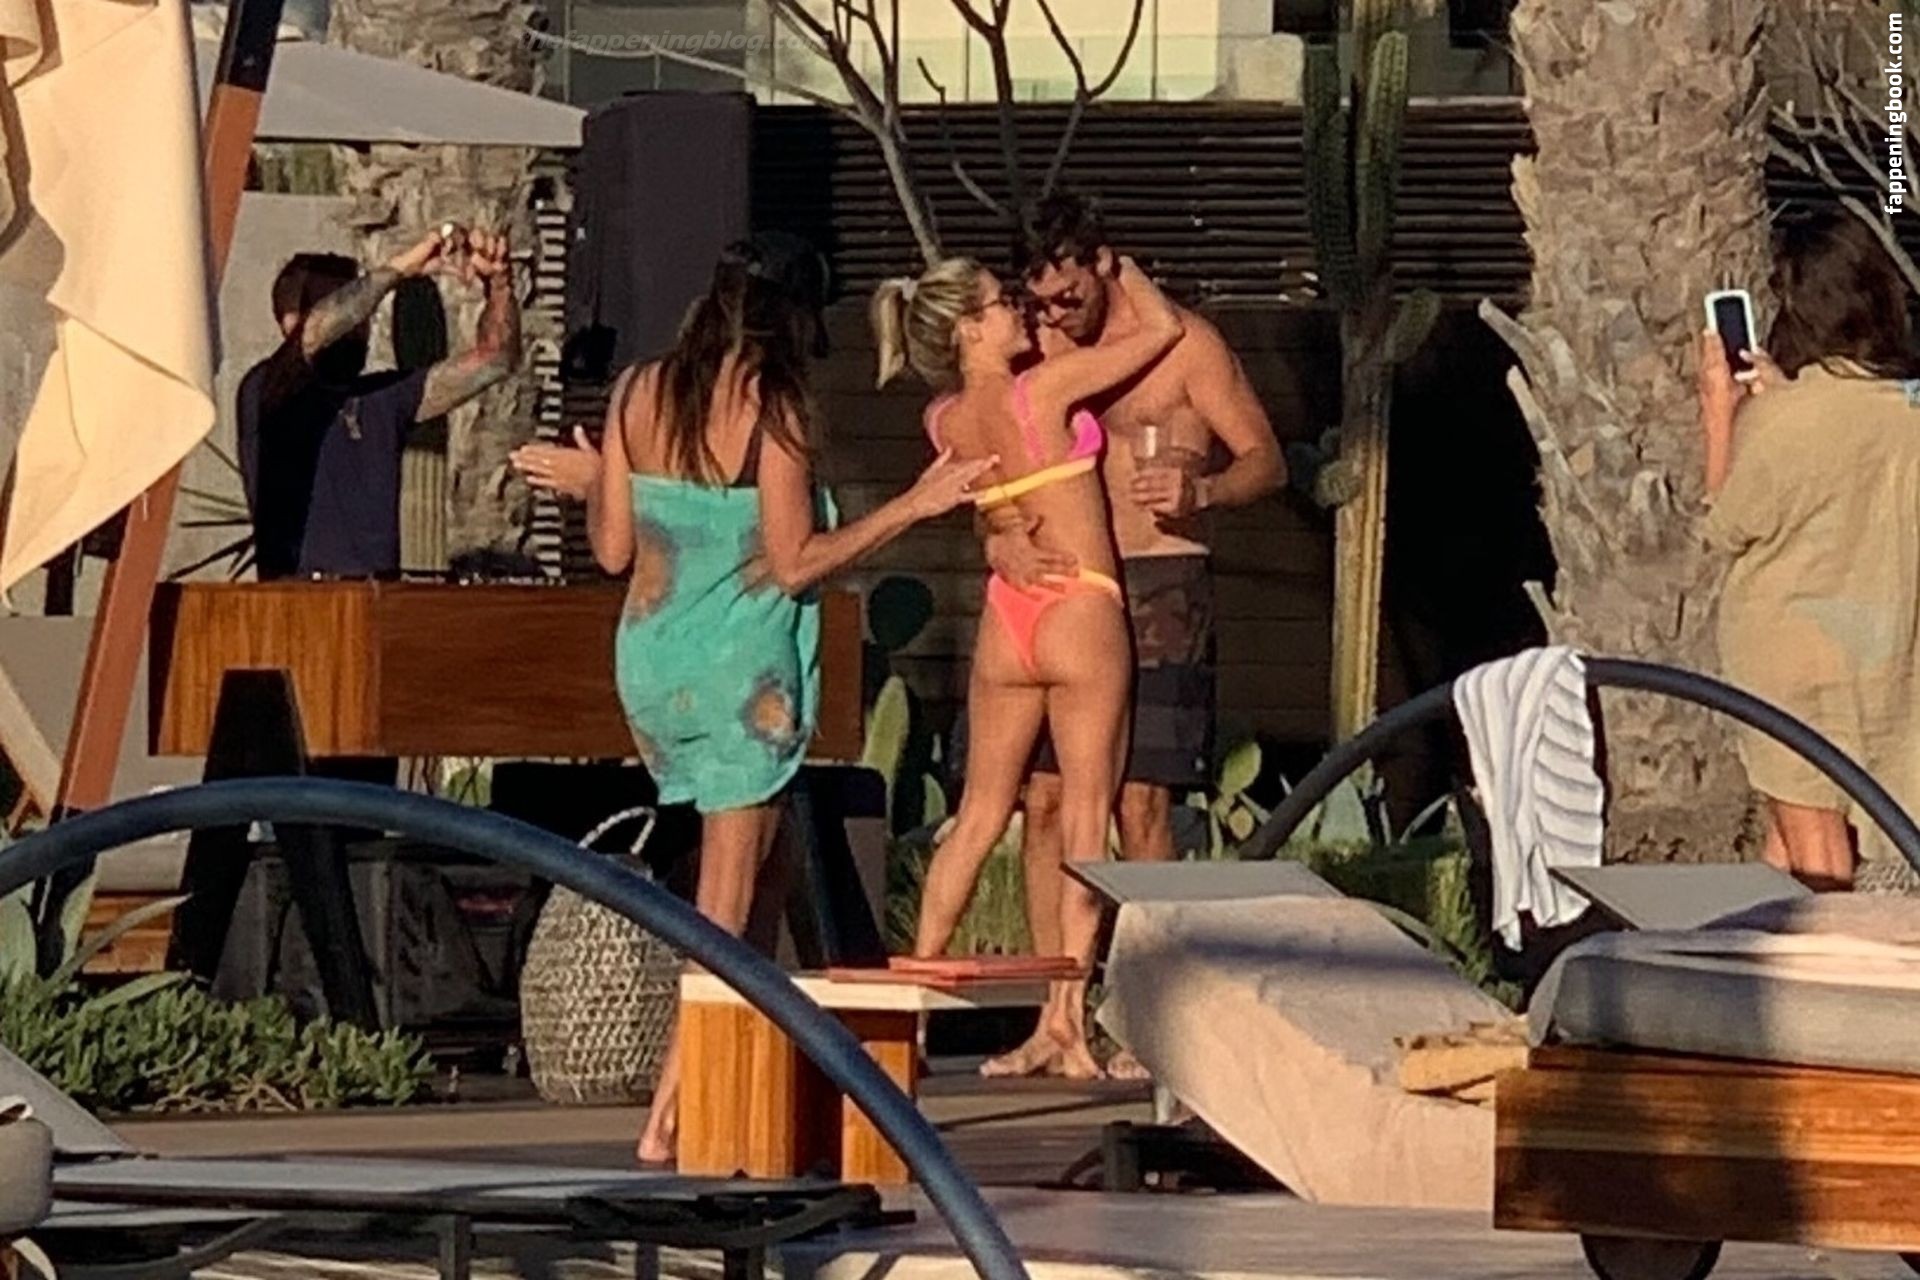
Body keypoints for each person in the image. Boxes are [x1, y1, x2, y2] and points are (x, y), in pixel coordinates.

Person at [512, 238, 990, 1164]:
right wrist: (914, 505)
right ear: (793, 321)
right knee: (723, 911)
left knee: (766, 879)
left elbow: (612, 551)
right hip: (743, 682)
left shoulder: (637, 390)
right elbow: (794, 561)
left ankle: (738, 1086)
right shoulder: (776, 409)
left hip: (654, 667)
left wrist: (601, 481)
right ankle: (667, 1117)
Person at [984, 191, 1284, 1076]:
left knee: (1140, 804)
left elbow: (1265, 459)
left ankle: (1152, 1017)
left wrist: (1204, 492)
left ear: (1105, 263)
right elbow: (986, 461)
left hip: (1160, 583)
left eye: (1069, 296)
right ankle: (1056, 1017)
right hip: (1066, 585)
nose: (1056, 315)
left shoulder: (1187, 346)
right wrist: (998, 537)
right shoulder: (1040, 349)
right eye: (1040, 302)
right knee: (1043, 800)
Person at [874, 255, 1185, 1080]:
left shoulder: (944, 420)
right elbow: (1161, 330)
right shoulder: (1040, 393)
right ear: (969, 328)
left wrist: (1001, 534)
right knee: (1086, 819)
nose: (1018, 312)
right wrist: (1118, 267)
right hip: (1080, 603)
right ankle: (1067, 1020)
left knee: (978, 815)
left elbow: (992, 505)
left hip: (1008, 619)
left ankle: (905, 1020)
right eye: (1001, 304)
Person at [1701, 209, 1920, 892]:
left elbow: (1726, 522)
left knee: (1815, 848)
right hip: (1880, 645)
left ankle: (1822, 956)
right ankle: (1762, 944)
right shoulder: (1906, 407)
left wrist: (1721, 416)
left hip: (1790, 655)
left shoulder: (1782, 421)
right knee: (1795, 839)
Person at [238, 226, 520, 580]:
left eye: (366, 319)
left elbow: (495, 360)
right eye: (357, 313)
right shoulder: (266, 392)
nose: (364, 328)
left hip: (381, 596)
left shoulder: (381, 399)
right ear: (290, 321)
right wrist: (400, 269)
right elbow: (317, 331)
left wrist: (499, 286)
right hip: (300, 600)